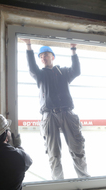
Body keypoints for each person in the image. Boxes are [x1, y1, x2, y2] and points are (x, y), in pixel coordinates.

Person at [21, 38, 89, 180]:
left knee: (77, 149)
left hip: (67, 114)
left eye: (46, 55)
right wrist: (28, 45)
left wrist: (73, 50)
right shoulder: (40, 75)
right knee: (54, 153)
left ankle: (84, 180)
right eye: (41, 56)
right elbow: (32, 68)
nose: (43, 58)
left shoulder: (63, 72)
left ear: (52, 56)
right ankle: (58, 183)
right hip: (49, 116)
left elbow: (76, 71)